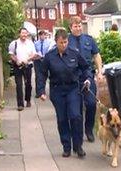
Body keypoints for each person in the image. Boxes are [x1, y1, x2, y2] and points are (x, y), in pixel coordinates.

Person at [37, 29, 91, 158]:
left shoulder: (74, 54)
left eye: (65, 42)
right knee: (62, 119)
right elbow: (42, 74)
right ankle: (66, 146)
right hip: (57, 90)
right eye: (61, 43)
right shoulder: (49, 57)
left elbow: (85, 67)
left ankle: (78, 146)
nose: (64, 45)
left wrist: (88, 79)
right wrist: (41, 91)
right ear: (56, 42)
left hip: (73, 89)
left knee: (75, 116)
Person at [68, 16, 104, 142]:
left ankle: (89, 129)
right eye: (75, 26)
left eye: (79, 26)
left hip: (87, 75)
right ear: (70, 28)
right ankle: (78, 133)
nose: (78, 28)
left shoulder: (89, 40)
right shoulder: (66, 40)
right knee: (76, 107)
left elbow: (96, 55)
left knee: (91, 104)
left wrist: (100, 72)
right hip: (73, 77)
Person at [8, 28, 37, 111]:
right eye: (22, 33)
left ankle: (28, 100)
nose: (24, 35)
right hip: (18, 66)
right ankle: (20, 104)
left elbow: (34, 54)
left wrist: (27, 60)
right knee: (19, 85)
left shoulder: (30, 43)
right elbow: (11, 54)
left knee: (28, 84)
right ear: (19, 34)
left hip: (28, 65)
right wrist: (17, 61)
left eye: (25, 33)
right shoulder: (14, 43)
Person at [34, 30, 53, 97]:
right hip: (38, 61)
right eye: (41, 35)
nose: (43, 36)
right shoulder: (36, 43)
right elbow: (34, 51)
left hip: (45, 60)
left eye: (44, 35)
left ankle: (43, 91)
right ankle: (38, 92)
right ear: (39, 36)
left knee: (45, 75)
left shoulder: (48, 43)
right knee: (38, 76)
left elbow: (50, 51)